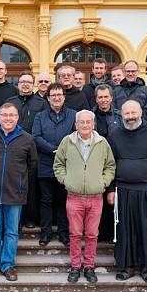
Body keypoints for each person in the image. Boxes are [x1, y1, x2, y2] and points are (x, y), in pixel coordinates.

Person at [106, 100, 147, 283]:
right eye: (127, 113)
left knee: (146, 229)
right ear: (121, 115)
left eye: (134, 112)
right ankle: (126, 266)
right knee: (124, 230)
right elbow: (109, 165)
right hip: (122, 190)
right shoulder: (115, 135)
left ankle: (146, 267)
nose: (131, 117)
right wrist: (110, 190)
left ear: (140, 112)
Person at [0, 103, 38, 281]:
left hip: (15, 193)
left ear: (17, 117)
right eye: (4, 115)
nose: (8, 118)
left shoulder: (27, 139)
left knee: (11, 231)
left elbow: (31, 165)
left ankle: (8, 265)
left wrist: (18, 182)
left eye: (11, 115)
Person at [54, 110, 115, 283]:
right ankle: (75, 266)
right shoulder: (68, 141)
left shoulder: (103, 143)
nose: (85, 125)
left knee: (92, 234)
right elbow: (58, 164)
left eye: (88, 122)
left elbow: (110, 166)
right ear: (76, 124)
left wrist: (103, 182)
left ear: (93, 124)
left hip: (96, 197)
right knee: (74, 233)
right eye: (82, 122)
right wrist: (66, 180)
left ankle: (89, 266)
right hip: (74, 196)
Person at [32, 83, 76, 247]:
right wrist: (53, 150)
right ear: (48, 98)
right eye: (53, 95)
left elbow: (76, 135)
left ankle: (64, 234)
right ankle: (46, 233)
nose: (56, 98)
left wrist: (62, 151)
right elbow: (36, 137)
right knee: (46, 200)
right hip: (45, 163)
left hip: (67, 165)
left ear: (64, 97)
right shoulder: (40, 116)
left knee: (64, 200)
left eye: (59, 95)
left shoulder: (73, 115)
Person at [6, 71, 48, 228]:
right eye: (22, 81)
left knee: (31, 185)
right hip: (12, 148)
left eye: (29, 82)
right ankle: (16, 218)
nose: (25, 84)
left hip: (34, 149)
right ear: (18, 84)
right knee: (14, 183)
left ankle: (30, 217)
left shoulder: (41, 103)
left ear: (33, 85)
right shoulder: (10, 102)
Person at [92, 84, 122, 242]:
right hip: (94, 162)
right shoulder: (90, 116)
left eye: (106, 97)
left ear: (111, 97)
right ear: (96, 99)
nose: (103, 100)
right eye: (100, 97)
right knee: (97, 198)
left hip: (115, 161)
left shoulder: (119, 116)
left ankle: (113, 233)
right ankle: (98, 233)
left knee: (113, 198)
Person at [113, 60, 147, 128]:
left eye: (133, 71)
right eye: (128, 71)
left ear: (138, 72)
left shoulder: (146, 90)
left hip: (140, 128)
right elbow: (114, 111)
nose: (130, 74)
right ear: (124, 72)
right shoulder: (116, 91)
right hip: (121, 127)